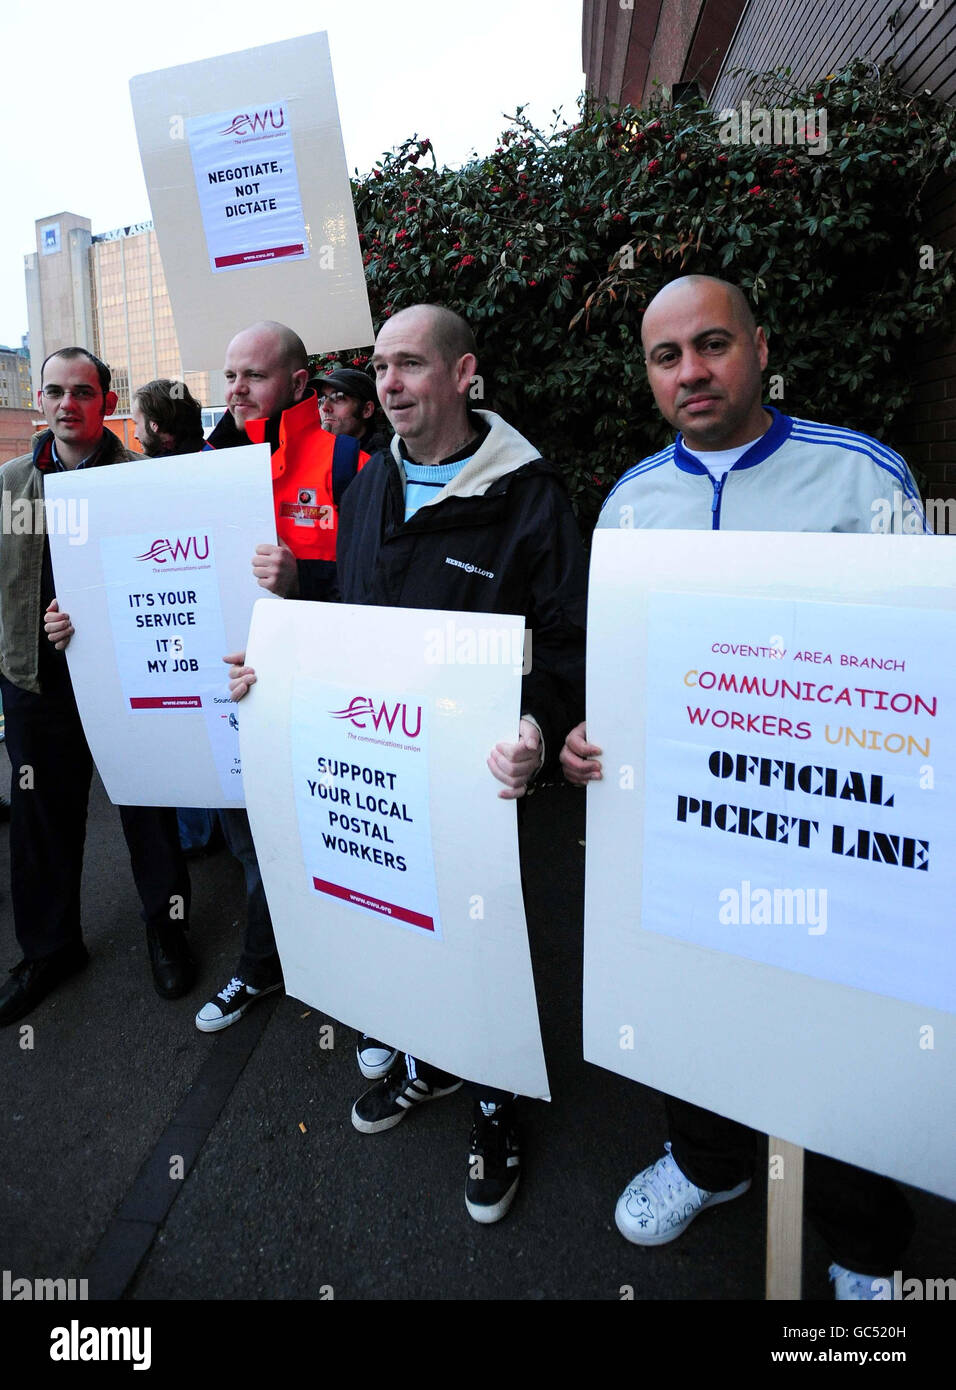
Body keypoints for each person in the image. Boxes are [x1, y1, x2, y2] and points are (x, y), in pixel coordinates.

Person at [560, 274, 925, 1299]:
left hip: (828, 828)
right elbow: (622, 673)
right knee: (688, 1006)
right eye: (664, 356)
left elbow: (917, 668)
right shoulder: (630, 503)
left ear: (759, 347)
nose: (690, 371)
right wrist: (593, 739)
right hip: (687, 833)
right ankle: (710, 1162)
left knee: (836, 1034)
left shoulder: (859, 479)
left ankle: (861, 1243)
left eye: (710, 344)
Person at [229, 304, 587, 1222]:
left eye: (410, 366)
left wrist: (540, 730)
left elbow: (568, 648)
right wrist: (278, 650)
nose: (388, 384)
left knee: (485, 950)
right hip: (381, 772)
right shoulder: (368, 490)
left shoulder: (534, 500)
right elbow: (353, 620)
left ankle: (497, 1107)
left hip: (479, 784)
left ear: (465, 374)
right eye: (380, 367)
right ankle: (429, 1064)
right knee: (401, 925)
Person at [0, 349, 193, 1025]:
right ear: (42, 402)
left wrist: (98, 615)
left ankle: (165, 926)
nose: (65, 403)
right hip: (34, 683)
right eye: (53, 391)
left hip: (126, 680)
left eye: (81, 391)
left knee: (148, 806)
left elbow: (170, 584)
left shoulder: (141, 480)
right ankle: (49, 950)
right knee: (40, 821)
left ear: (105, 401)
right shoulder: (11, 485)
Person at [196, 323, 369, 1032]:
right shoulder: (203, 462)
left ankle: (369, 996)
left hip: (325, 700)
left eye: (253, 377)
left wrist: (307, 581)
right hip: (234, 695)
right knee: (249, 846)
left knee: (343, 846)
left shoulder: (350, 459)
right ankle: (265, 968)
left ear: (299, 384)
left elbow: (379, 589)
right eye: (230, 376)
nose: (236, 390)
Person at [313, 367, 390, 454]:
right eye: (321, 399)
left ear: (366, 410)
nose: (324, 407)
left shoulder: (382, 463)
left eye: (338, 397)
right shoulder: (321, 452)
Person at [131, 378, 205, 458]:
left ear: (154, 425)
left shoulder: (153, 468)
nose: (135, 435)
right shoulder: (211, 453)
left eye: (136, 423)